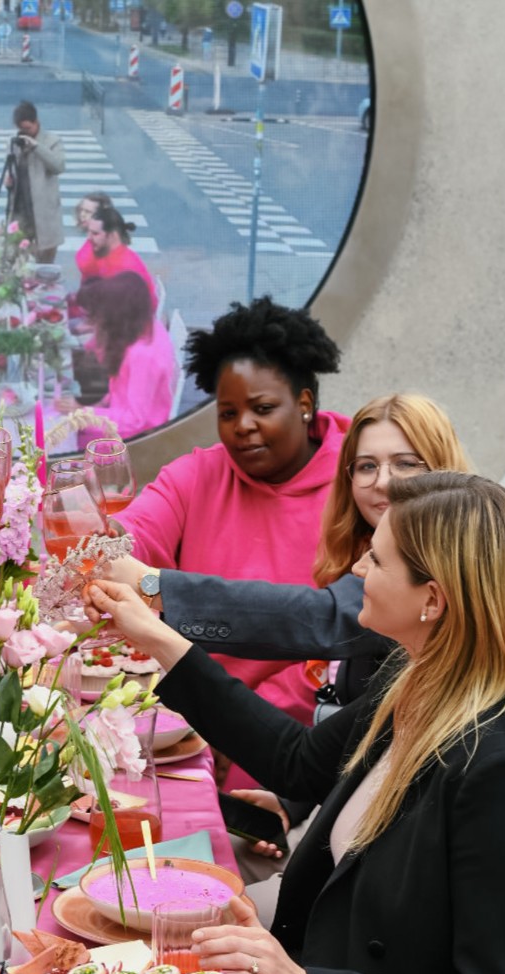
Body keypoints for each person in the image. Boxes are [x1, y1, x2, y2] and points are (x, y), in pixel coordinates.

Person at [84, 470, 505, 974]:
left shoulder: (492, 766)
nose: (357, 571)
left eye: (376, 562)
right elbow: (297, 761)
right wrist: (156, 637)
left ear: (431, 599)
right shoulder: (413, 681)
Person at [114, 296, 346, 789]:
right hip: (190, 726)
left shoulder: (358, 482)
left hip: (304, 751)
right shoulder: (199, 474)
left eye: (262, 409)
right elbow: (131, 536)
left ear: (305, 405)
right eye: (227, 412)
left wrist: (236, 728)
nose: (242, 426)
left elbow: (338, 637)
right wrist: (103, 543)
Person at [54, 271, 177, 446]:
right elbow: (120, 385)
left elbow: (134, 421)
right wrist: (97, 404)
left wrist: (83, 414)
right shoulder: (145, 324)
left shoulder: (142, 356)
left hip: (134, 440)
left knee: (56, 441)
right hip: (119, 413)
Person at [6, 100, 65, 264]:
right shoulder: (15, 143)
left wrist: (37, 147)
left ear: (36, 122)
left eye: (28, 128)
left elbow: (58, 166)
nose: (25, 133)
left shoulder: (53, 141)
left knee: (45, 263)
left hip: (44, 213)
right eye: (21, 129)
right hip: (20, 212)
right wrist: (8, 182)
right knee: (15, 261)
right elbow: (12, 170)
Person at [79, 204, 157, 310]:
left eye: (95, 233)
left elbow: (115, 313)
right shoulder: (106, 252)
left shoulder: (122, 267)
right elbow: (84, 265)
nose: (89, 238)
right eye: (88, 232)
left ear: (112, 236)